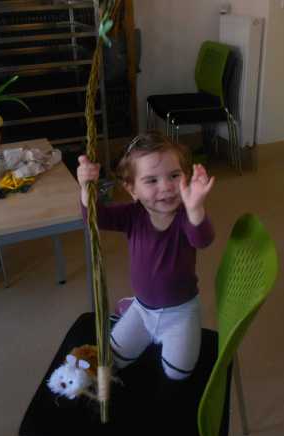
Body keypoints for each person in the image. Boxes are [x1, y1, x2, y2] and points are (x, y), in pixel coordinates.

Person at [77, 131, 215, 382]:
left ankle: (136, 312)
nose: (166, 187)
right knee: (115, 358)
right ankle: (130, 305)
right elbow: (94, 218)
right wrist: (86, 188)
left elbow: (203, 239)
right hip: (143, 309)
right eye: (151, 180)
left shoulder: (185, 216)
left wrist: (196, 208)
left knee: (177, 373)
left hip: (180, 312)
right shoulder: (133, 215)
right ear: (132, 189)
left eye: (174, 175)